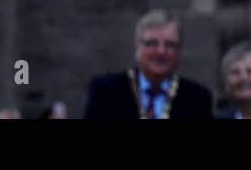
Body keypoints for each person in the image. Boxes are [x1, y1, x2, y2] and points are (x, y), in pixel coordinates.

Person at [83, 10, 213, 119]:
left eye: (170, 45)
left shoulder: (197, 98)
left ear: (179, 51)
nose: (161, 52)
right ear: (137, 45)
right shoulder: (106, 92)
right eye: (152, 43)